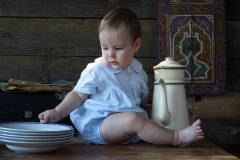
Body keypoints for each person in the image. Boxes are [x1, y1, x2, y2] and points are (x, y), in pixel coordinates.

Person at [39, 7, 204, 147]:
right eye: (104, 48)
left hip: (128, 125)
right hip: (102, 125)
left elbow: (145, 99)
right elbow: (77, 94)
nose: (110, 55)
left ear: (136, 45)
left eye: (118, 48)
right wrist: (58, 112)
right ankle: (177, 138)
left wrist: (175, 105)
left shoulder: (138, 72)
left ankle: (178, 125)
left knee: (150, 111)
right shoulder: (97, 70)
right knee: (135, 118)